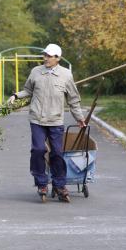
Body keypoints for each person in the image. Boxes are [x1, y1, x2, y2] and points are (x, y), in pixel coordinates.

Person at [8, 43, 85, 203]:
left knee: (57, 153)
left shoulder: (66, 75)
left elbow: (73, 99)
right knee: (38, 150)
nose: (45, 58)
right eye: (45, 55)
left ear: (57, 58)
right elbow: (28, 90)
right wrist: (16, 96)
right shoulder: (36, 72)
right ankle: (41, 183)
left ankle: (60, 185)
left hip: (55, 120)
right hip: (37, 119)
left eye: (49, 56)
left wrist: (79, 118)